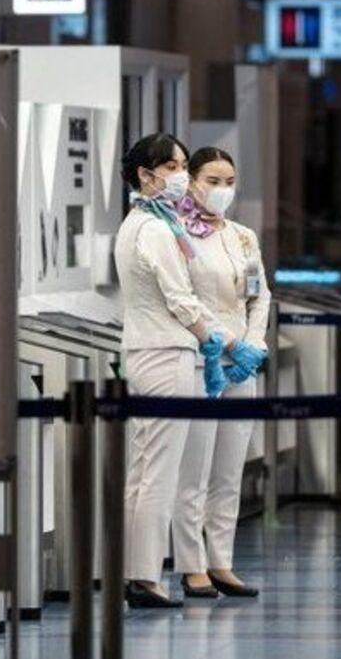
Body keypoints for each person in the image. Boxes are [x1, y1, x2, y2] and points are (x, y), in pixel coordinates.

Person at [114, 133, 234, 608]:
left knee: (145, 468)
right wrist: (214, 339)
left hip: (150, 350)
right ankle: (144, 577)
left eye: (183, 165)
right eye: (172, 167)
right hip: (165, 353)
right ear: (146, 175)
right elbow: (180, 299)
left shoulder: (145, 223)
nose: (181, 175)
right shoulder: (155, 229)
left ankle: (136, 571)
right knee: (158, 472)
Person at [171, 146, 270, 599]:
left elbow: (259, 295)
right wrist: (226, 342)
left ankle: (221, 561)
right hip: (200, 357)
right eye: (212, 181)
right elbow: (185, 300)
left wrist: (254, 343)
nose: (222, 190)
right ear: (192, 181)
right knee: (194, 470)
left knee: (229, 469)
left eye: (229, 182)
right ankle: (192, 566)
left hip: (242, 362)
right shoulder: (176, 233)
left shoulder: (243, 236)